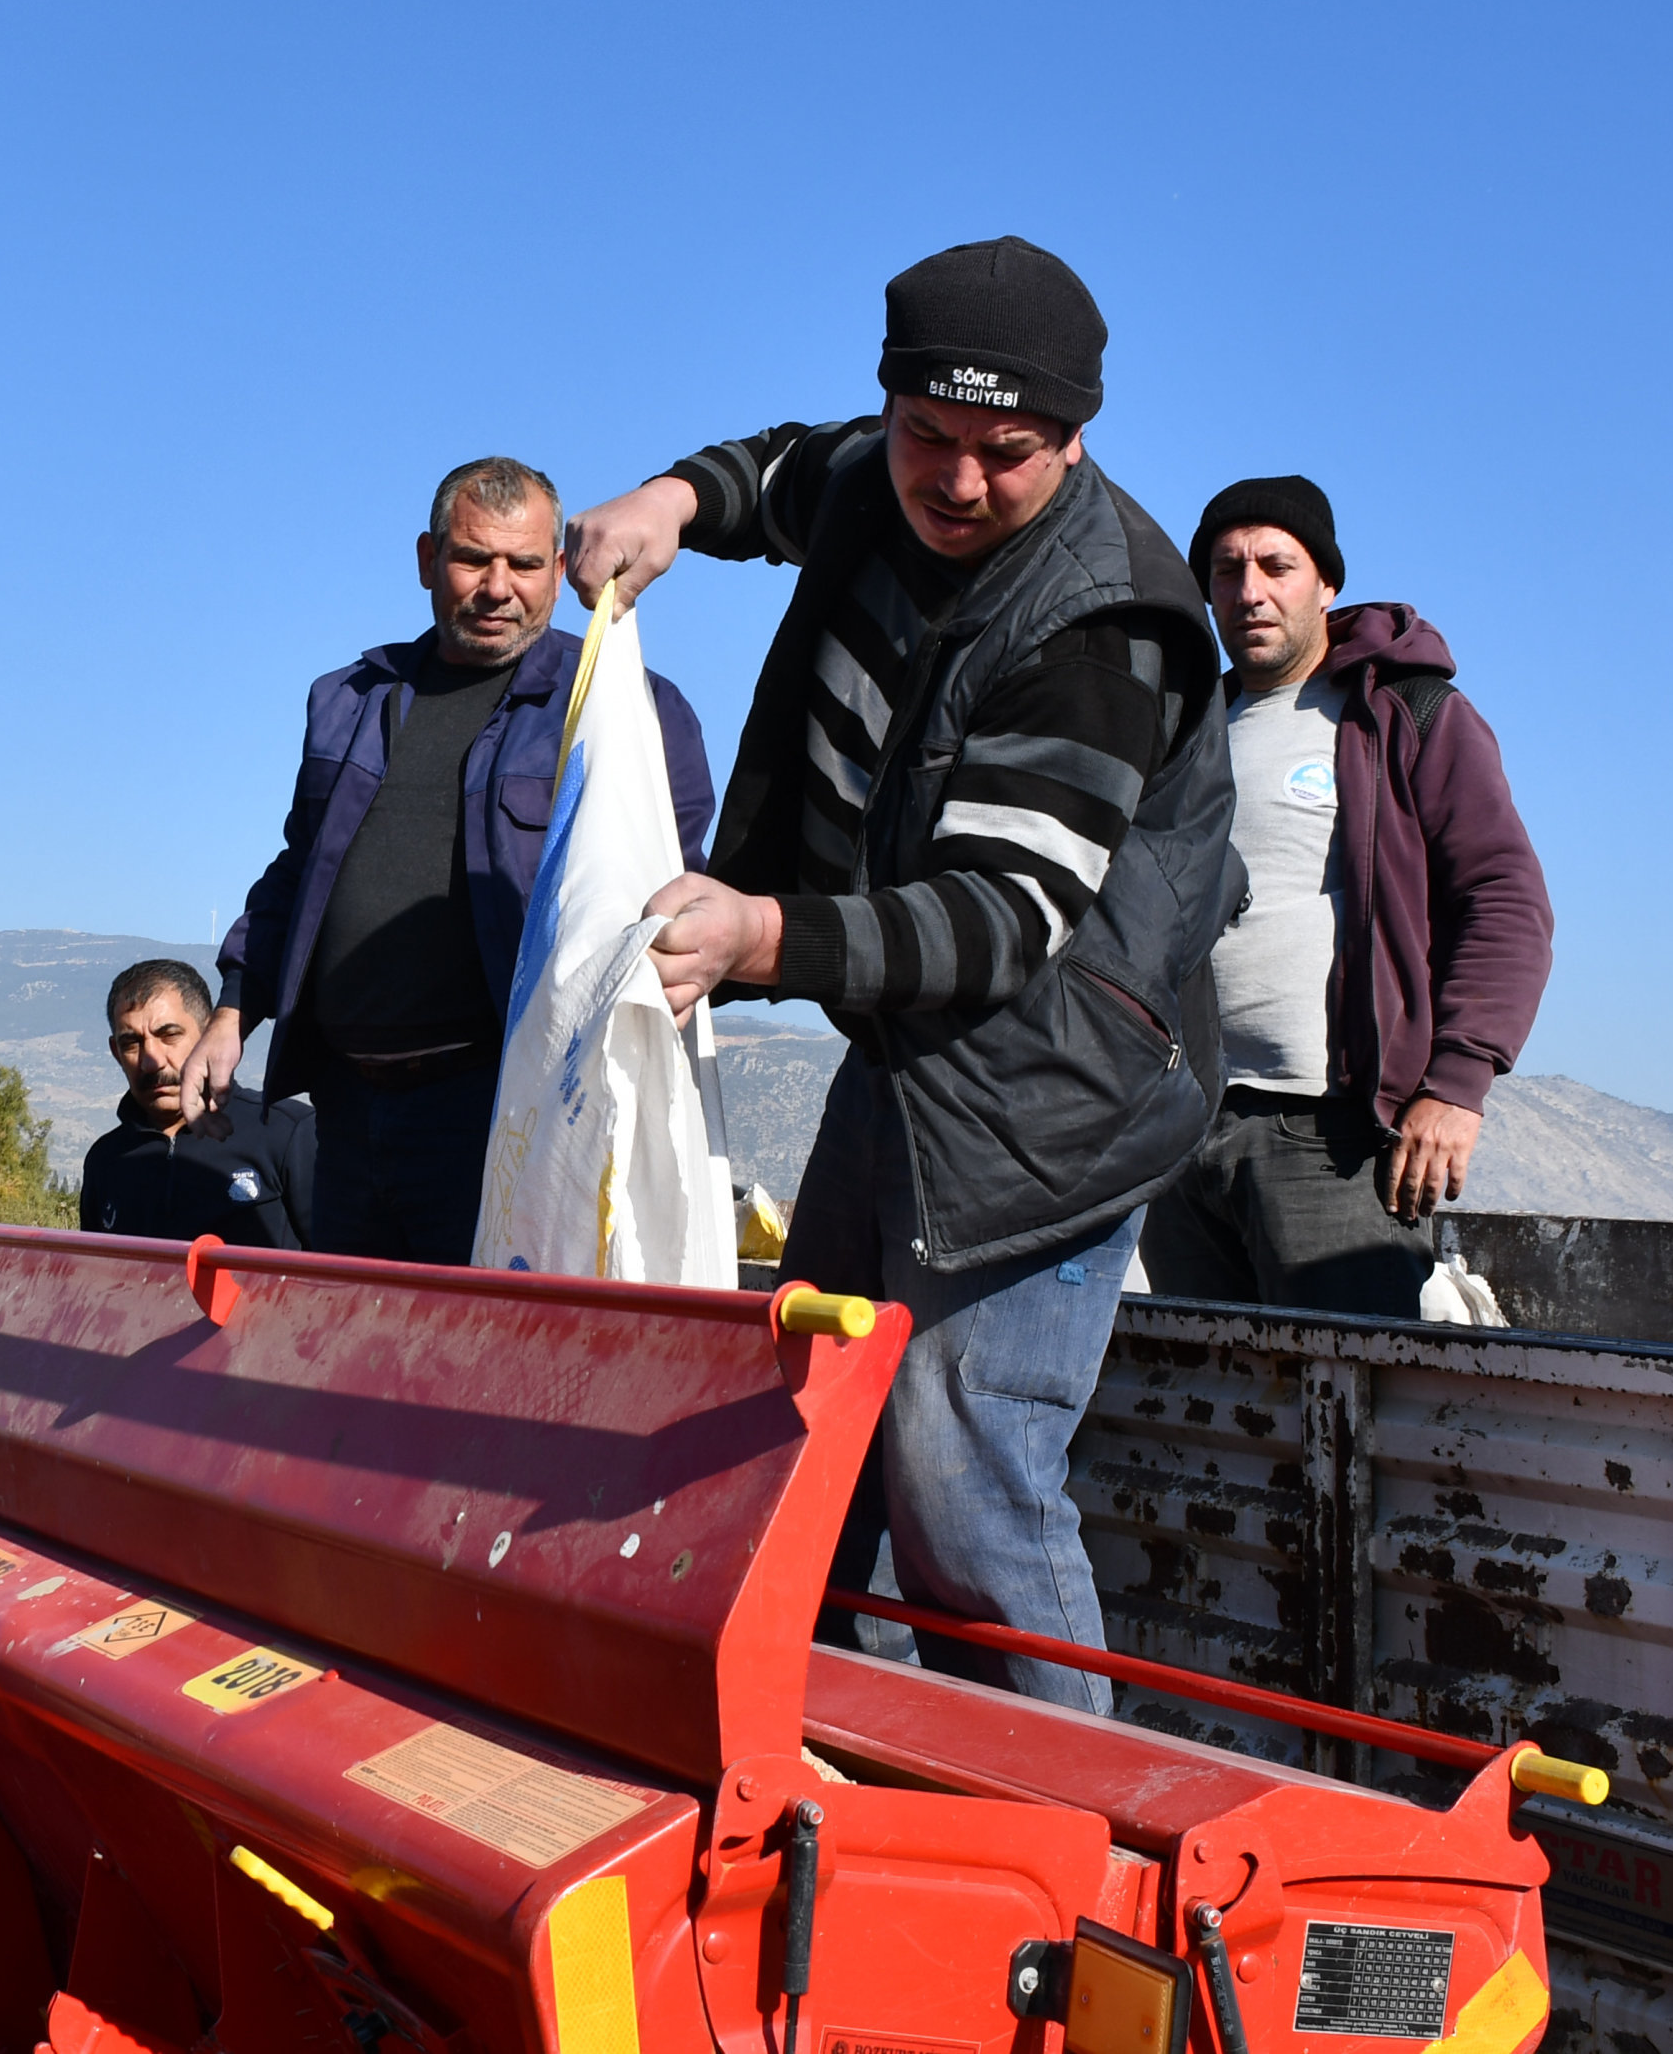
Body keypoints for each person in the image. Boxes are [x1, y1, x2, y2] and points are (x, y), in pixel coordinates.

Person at [560, 237, 1237, 1713]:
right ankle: (847, 1790)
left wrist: (764, 933)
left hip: (1053, 1096)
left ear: (1075, 437)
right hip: (906, 1061)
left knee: (959, 1462)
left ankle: (1073, 1839)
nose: (960, 483)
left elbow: (996, 917)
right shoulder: (886, 470)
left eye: (1009, 454)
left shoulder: (1106, 620)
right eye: (930, 438)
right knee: (810, 1432)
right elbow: (779, 474)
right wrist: (670, 499)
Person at [182, 456, 712, 1263]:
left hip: (506, 1118)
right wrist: (232, 1008)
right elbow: (299, 869)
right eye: (472, 559)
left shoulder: (621, 705)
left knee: (490, 1366)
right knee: (359, 1357)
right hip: (349, 1113)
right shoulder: (349, 699)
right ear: (429, 559)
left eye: (525, 564)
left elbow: (672, 900)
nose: (498, 586)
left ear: (559, 569)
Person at [1135, 475, 1552, 1315]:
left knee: (1346, 1412)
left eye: (1274, 565)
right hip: (1177, 1133)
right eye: (1225, 570)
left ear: (1326, 582)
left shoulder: (1402, 713)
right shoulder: (1183, 730)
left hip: (1329, 1141)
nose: (1248, 591)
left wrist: (1457, 1082)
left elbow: (1504, 897)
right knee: (1211, 1416)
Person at [83, 959, 314, 1248]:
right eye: (132, 1043)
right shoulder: (106, 1161)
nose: (151, 1061)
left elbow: (341, 1269)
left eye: (169, 1035)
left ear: (208, 1036)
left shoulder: (286, 1133)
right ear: (116, 1052)